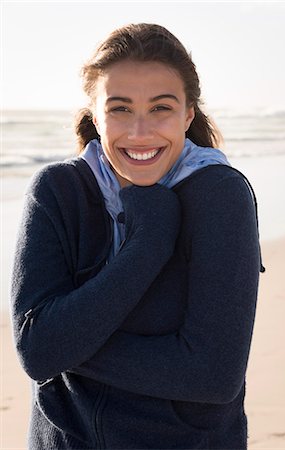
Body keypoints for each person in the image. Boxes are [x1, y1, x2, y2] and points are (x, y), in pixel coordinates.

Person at [11, 23, 265, 450]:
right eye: (121, 109)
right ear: (95, 114)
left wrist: (66, 346)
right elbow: (38, 351)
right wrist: (147, 245)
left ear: (188, 114)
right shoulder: (57, 191)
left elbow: (213, 375)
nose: (140, 133)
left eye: (161, 108)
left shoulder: (220, 195)